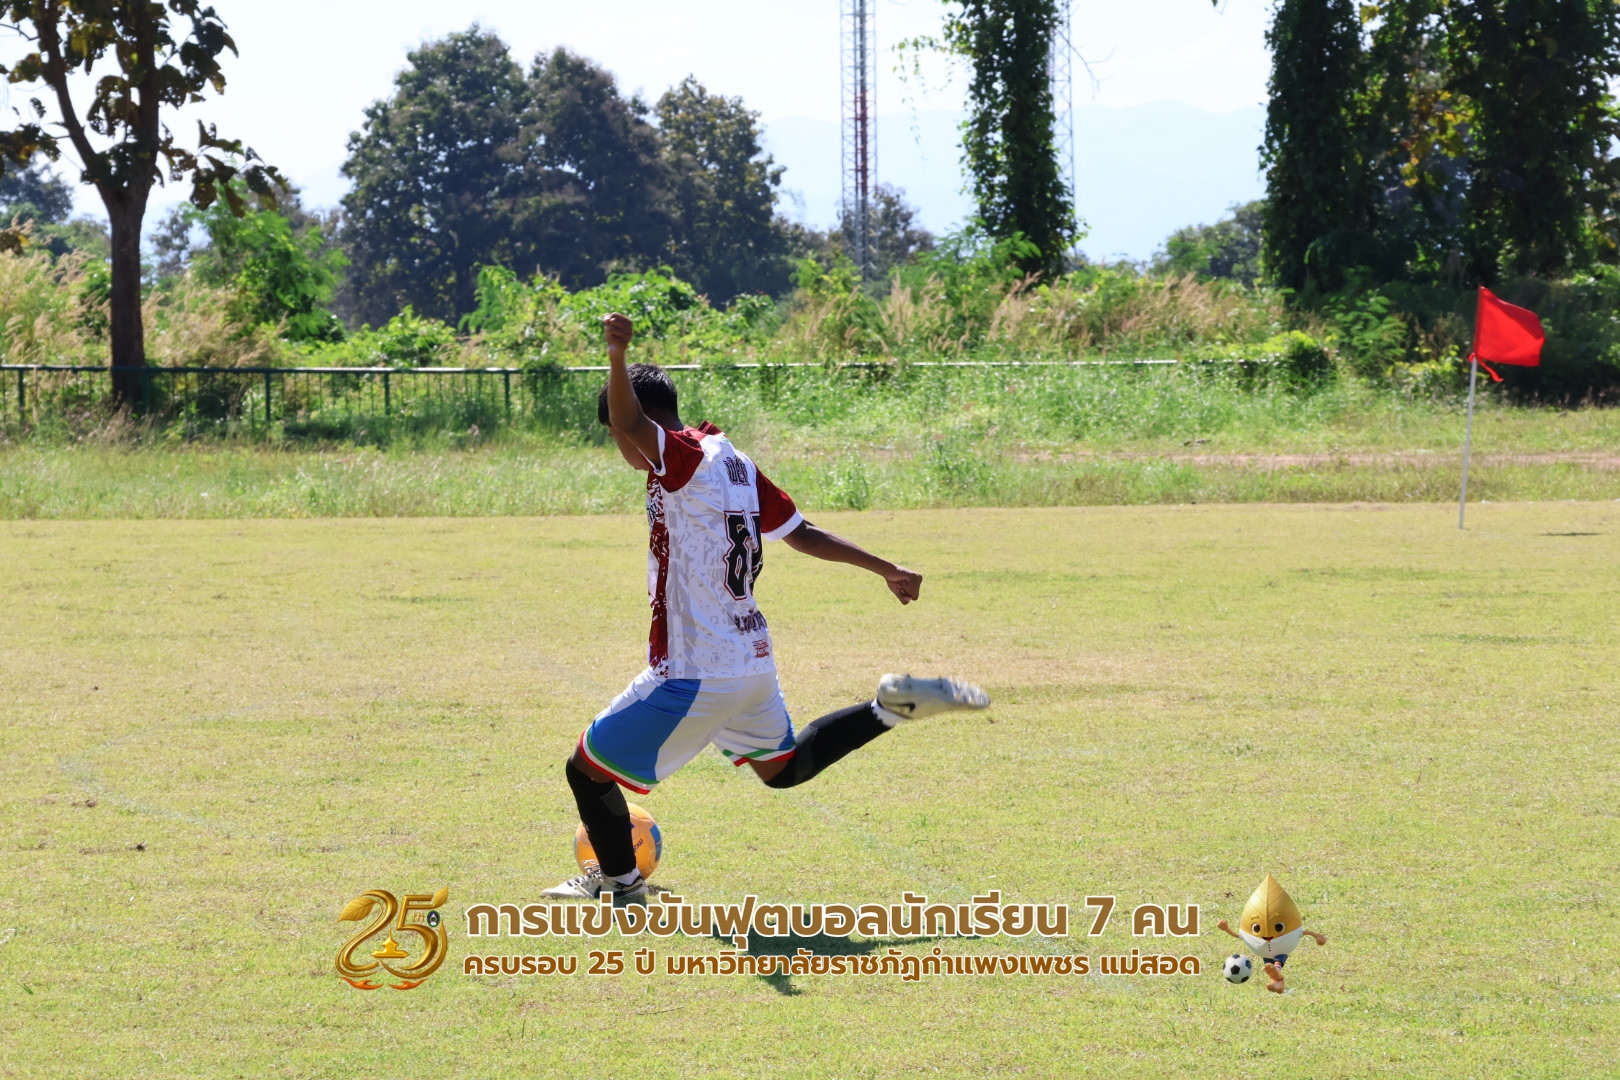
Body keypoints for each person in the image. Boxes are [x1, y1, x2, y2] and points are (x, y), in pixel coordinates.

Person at [543, 312, 989, 904]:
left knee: (585, 769)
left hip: (696, 668)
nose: (621, 447)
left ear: (641, 426)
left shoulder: (679, 458)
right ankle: (886, 707)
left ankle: (622, 884)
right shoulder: (736, 463)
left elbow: (628, 420)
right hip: (750, 661)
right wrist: (887, 568)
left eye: (617, 438)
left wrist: (616, 354)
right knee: (784, 768)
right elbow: (802, 534)